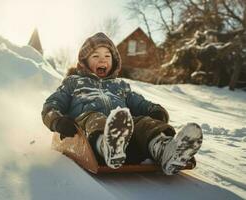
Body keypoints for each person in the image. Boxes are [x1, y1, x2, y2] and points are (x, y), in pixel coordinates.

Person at [41, 32, 203, 175]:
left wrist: (154, 110)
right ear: (84, 61)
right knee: (95, 117)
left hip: (125, 130)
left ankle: (164, 150)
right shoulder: (73, 83)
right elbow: (51, 105)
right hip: (88, 128)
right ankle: (107, 147)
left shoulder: (120, 86)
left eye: (107, 56)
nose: (102, 60)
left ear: (114, 61)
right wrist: (57, 120)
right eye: (95, 56)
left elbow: (139, 102)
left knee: (141, 122)